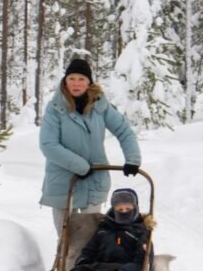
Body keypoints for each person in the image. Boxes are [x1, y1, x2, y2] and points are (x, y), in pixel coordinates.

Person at [38, 58, 142, 233]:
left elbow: (124, 131)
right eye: (72, 79)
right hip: (63, 182)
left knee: (90, 237)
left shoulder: (101, 106)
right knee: (66, 239)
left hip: (94, 180)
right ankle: (64, 261)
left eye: (81, 79)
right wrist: (80, 166)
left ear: (89, 82)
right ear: (65, 81)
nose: (76, 84)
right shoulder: (55, 108)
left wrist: (132, 159)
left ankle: (88, 261)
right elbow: (48, 144)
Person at [70, 188, 149, 271]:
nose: (124, 212)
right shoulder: (104, 227)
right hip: (96, 270)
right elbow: (89, 250)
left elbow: (140, 263)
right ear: (114, 209)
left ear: (135, 208)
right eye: (120, 209)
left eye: (128, 209)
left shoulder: (140, 231)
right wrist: (82, 262)